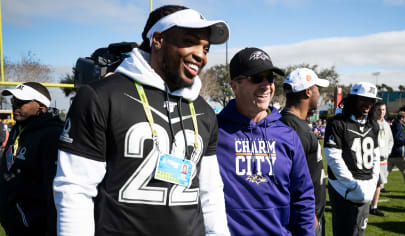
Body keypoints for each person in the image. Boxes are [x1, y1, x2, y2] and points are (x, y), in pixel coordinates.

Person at [53, 5, 231, 236]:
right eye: (189, 41)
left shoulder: (203, 111)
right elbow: (74, 190)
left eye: (205, 48)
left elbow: (210, 192)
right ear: (158, 39)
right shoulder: (101, 96)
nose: (201, 55)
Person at [217, 48, 315, 236]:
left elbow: (302, 197)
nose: (266, 85)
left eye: (270, 79)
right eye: (256, 78)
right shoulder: (215, 132)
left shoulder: (288, 136)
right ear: (234, 86)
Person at [0, 82, 64, 236]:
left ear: (41, 106)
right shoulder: (17, 129)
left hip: (35, 227)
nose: (16, 105)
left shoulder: (52, 135)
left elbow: (53, 190)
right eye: (14, 101)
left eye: (22, 102)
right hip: (13, 223)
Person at [324, 82, 381, 236]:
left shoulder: (373, 125)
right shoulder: (337, 123)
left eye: (371, 100)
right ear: (353, 99)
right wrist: (353, 186)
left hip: (366, 186)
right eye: (363, 99)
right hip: (343, 188)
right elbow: (333, 158)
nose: (368, 104)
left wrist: (372, 182)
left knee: (359, 232)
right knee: (344, 232)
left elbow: (376, 156)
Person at [281, 68, 329, 236]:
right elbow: (288, 180)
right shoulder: (291, 127)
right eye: (317, 89)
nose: (319, 94)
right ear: (308, 92)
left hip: (311, 214)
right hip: (306, 219)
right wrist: (310, 218)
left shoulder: (297, 123)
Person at [369, 101, 393, 216]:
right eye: (379, 109)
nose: (381, 112)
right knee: (369, 182)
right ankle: (363, 205)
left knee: (379, 183)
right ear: (374, 110)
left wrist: (387, 153)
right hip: (371, 159)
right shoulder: (370, 123)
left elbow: (390, 141)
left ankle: (374, 207)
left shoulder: (386, 125)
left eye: (383, 110)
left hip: (383, 159)